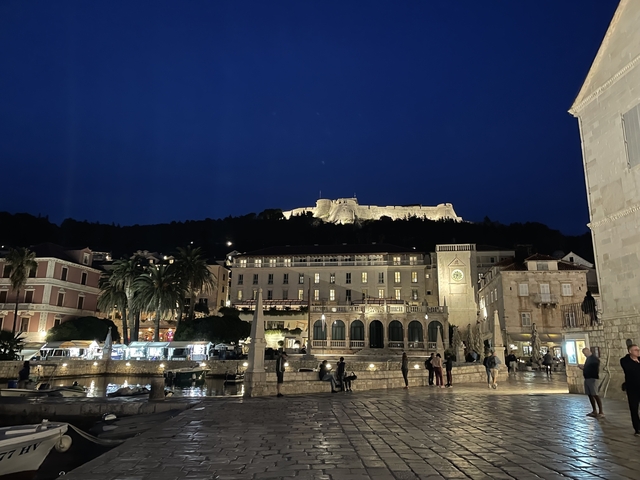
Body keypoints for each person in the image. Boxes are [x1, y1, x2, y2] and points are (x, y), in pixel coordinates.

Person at [620, 344, 640, 435]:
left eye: (638, 350)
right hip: (632, 388)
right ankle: (637, 428)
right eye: (636, 350)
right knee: (634, 408)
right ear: (630, 352)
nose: (638, 351)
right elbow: (630, 370)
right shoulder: (625, 361)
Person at [578, 347, 603, 417]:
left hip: (593, 378)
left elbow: (593, 367)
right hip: (587, 378)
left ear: (588, 351)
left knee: (595, 394)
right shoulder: (588, 359)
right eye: (583, 353)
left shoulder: (594, 359)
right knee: (590, 394)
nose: (584, 355)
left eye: (585, 353)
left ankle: (601, 411)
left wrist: (584, 367)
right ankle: (594, 410)